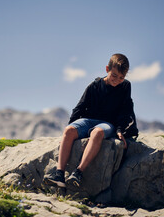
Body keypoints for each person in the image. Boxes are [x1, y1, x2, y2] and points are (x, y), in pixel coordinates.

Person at [43, 53, 138, 188]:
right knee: (69, 130)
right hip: (88, 120)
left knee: (97, 132)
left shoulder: (125, 87)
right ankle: (59, 175)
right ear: (107, 69)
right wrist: (71, 129)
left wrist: (120, 131)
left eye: (121, 78)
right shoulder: (94, 86)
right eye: (114, 75)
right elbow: (79, 108)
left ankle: (78, 173)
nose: (117, 80)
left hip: (107, 124)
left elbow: (125, 110)